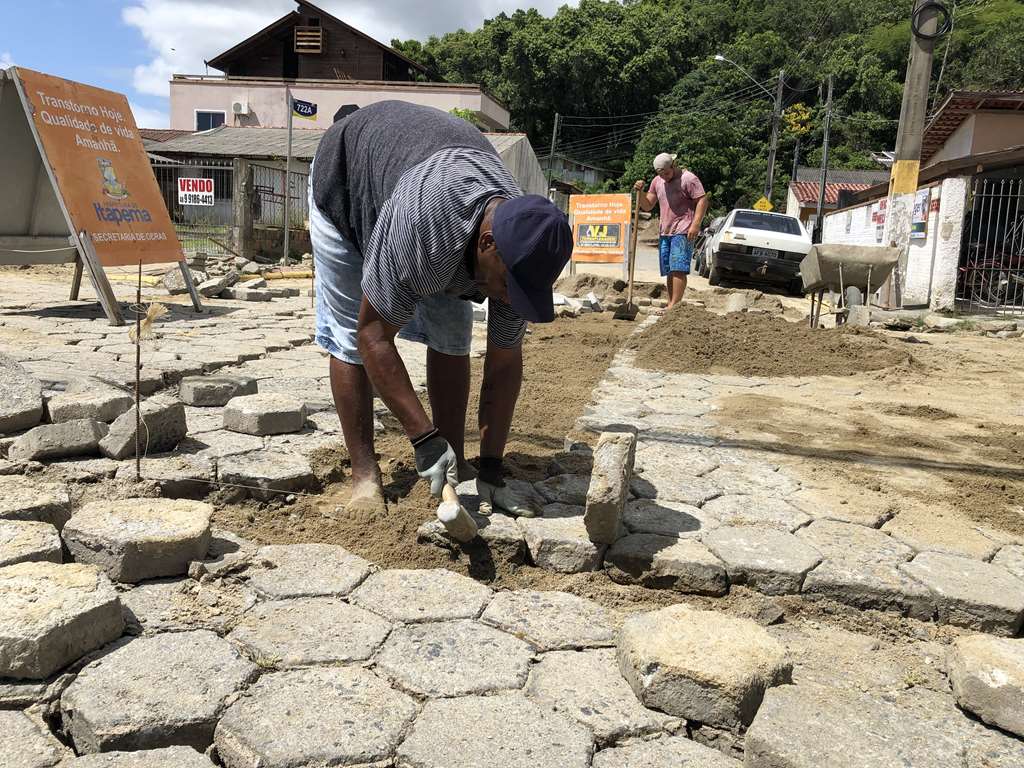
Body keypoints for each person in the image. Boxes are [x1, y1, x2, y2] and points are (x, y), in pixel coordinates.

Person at [310, 101, 572, 521]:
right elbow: (372, 334)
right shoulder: (424, 227)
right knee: (349, 337)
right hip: (347, 179)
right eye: (508, 288)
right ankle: (364, 474)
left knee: (452, 335)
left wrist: (493, 468)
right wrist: (421, 435)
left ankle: (457, 463)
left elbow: (503, 364)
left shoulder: (521, 251)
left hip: (434, 188)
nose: (510, 301)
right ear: (487, 246)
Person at [634, 153, 709, 308]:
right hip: (665, 230)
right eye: (661, 174)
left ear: (674, 165)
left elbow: (702, 200)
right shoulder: (657, 181)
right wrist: (640, 193)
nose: (665, 177)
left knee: (678, 268)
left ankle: (675, 304)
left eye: (667, 173)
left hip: (684, 229)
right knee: (669, 269)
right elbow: (647, 205)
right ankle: (671, 303)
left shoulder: (688, 179)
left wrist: (695, 224)